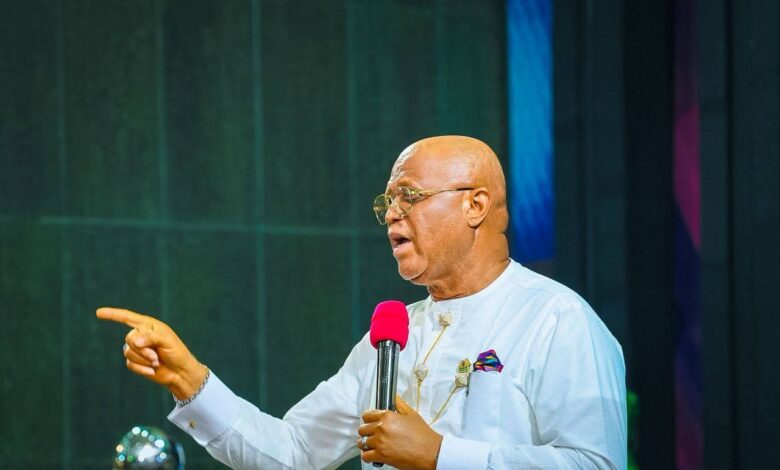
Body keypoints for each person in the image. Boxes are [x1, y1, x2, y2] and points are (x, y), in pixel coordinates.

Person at [98, 135, 626, 469]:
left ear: (475, 205)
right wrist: (191, 381)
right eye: (387, 203)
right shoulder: (393, 336)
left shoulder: (556, 319)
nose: (392, 214)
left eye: (409, 196)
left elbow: (594, 464)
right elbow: (294, 452)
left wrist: (441, 456)